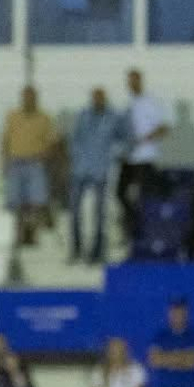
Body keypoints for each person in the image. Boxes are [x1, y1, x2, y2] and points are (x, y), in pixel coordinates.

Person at [68, 87, 125, 262]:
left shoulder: (114, 117)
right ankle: (76, 249)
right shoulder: (83, 115)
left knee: (99, 213)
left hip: (101, 170)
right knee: (75, 211)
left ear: (105, 98)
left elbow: (123, 140)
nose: (97, 100)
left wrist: (111, 156)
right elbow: (74, 138)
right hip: (80, 169)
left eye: (100, 97)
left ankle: (97, 251)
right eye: (95, 97)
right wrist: (77, 156)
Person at [1, 85, 59, 243]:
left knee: (37, 201)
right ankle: (18, 234)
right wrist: (4, 161)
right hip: (15, 162)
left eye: (31, 97)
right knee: (14, 201)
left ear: (36, 99)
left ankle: (32, 235)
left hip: (35, 163)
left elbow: (53, 142)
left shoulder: (44, 118)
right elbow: (5, 140)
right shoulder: (12, 116)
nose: (28, 100)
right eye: (26, 97)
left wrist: (46, 155)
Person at [119, 68, 169, 235]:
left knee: (145, 195)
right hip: (129, 157)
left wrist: (145, 139)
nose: (132, 84)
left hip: (145, 157)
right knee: (120, 193)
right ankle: (132, 225)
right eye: (129, 81)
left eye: (135, 80)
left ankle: (147, 230)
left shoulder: (151, 102)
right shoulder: (127, 103)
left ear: (140, 81)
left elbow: (164, 128)